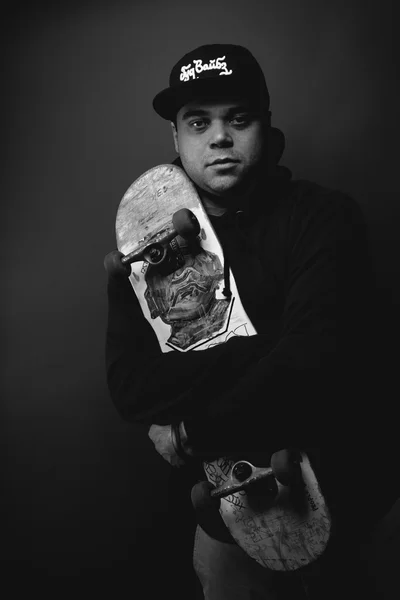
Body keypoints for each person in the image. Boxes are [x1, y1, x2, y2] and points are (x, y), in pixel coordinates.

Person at [104, 44, 397, 599]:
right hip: (233, 526)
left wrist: (191, 431)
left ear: (265, 121)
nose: (219, 137)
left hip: (359, 496)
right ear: (176, 137)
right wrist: (263, 350)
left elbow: (314, 363)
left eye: (238, 119)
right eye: (199, 122)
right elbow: (131, 390)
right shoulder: (143, 254)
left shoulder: (324, 217)